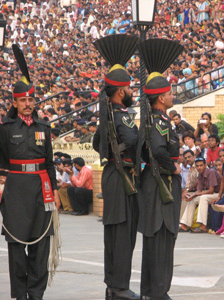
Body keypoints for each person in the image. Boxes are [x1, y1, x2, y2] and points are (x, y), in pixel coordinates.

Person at [0, 44, 60, 300]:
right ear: (15, 102)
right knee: (16, 248)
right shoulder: (6, 127)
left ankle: (37, 294)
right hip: (16, 193)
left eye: (32, 99)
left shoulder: (44, 126)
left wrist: (54, 191)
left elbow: (51, 163)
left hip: (41, 191)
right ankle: (21, 295)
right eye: (23, 100)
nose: (28, 104)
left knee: (41, 247)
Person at [92, 33, 140, 300]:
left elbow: (97, 144)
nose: (133, 93)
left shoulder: (106, 115)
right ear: (121, 91)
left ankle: (113, 285)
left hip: (112, 174)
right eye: (131, 88)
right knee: (123, 233)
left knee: (113, 233)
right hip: (123, 176)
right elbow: (133, 139)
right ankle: (120, 286)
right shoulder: (121, 115)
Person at [137, 39, 184, 300]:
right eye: (169, 93)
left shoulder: (156, 119)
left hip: (156, 181)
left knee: (156, 239)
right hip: (162, 182)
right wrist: (174, 169)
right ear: (160, 97)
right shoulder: (159, 121)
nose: (172, 95)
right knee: (162, 238)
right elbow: (158, 149)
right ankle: (158, 291)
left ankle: (150, 290)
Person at [180, 157, 222, 233]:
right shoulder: (200, 175)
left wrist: (196, 194)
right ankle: (185, 224)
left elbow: (211, 190)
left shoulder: (211, 172)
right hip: (210, 194)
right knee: (192, 199)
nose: (199, 167)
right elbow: (199, 190)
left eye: (201, 165)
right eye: (197, 166)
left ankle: (202, 225)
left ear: (205, 165)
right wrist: (193, 195)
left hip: (219, 194)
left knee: (203, 198)